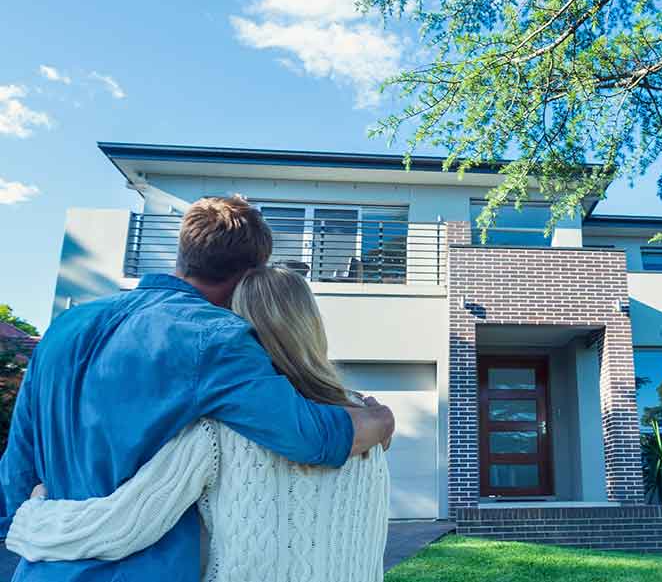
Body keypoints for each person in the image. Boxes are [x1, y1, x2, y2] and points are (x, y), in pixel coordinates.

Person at [0, 196, 395, 582]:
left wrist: (32, 527)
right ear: (249, 275)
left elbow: (18, 463)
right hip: (143, 570)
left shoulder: (64, 328)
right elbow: (306, 436)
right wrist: (379, 420)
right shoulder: (216, 338)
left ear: (183, 253)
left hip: (41, 565)